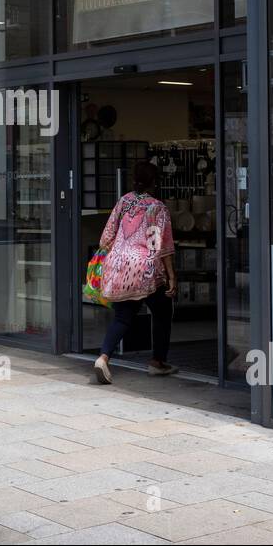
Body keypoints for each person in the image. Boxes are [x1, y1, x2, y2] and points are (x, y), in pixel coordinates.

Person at [93, 161, 178, 384]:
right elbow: (159, 245)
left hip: (118, 266)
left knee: (122, 317)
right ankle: (157, 362)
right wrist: (171, 275)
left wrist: (122, 251)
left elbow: (105, 238)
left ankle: (103, 358)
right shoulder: (157, 208)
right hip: (144, 269)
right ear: (155, 182)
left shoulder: (124, 201)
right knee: (162, 312)